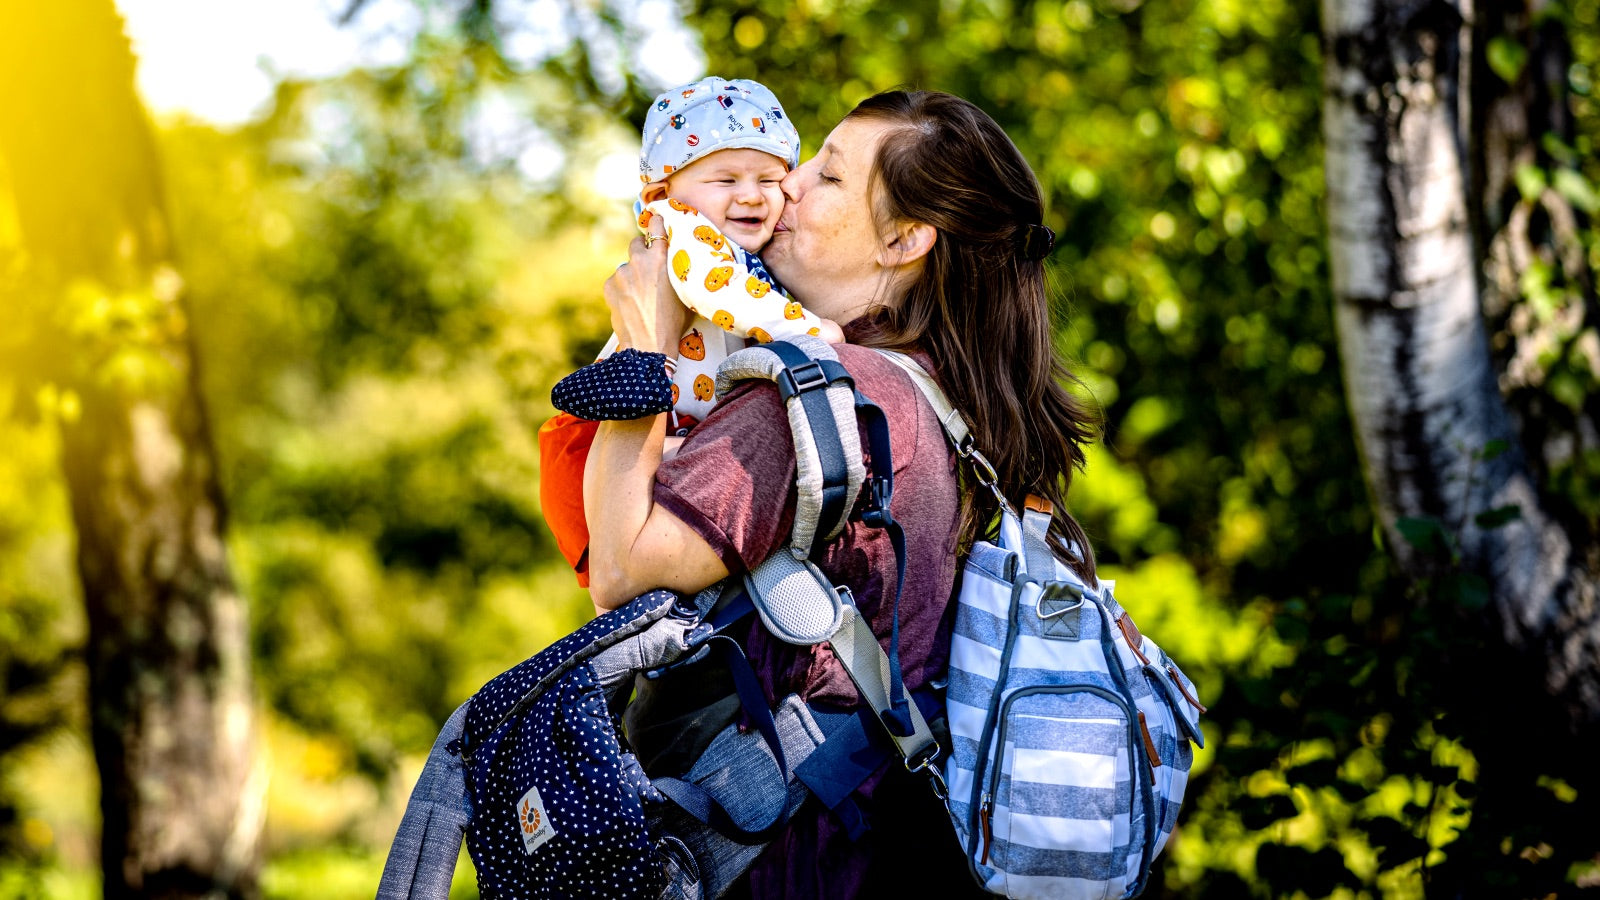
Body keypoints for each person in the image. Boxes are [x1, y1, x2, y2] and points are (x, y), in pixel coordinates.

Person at [587, 90, 1099, 896]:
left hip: (789, 860)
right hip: (901, 853)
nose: (785, 186)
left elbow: (621, 572)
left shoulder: (814, 399)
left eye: (826, 176)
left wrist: (641, 356)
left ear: (904, 240)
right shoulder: (957, 407)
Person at [538, 76, 838, 588]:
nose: (751, 195)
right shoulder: (685, 233)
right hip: (596, 444)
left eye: (769, 180)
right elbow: (720, 291)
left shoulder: (739, 248)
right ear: (662, 192)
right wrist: (811, 330)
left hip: (662, 432)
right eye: (726, 180)